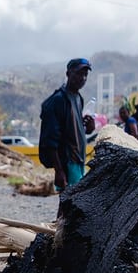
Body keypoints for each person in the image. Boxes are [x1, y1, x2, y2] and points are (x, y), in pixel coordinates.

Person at [39, 58, 92, 192]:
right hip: (68, 162)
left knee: (73, 204)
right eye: (79, 73)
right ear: (68, 74)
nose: (83, 78)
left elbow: (72, 130)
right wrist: (59, 170)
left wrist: (87, 128)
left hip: (79, 160)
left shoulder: (78, 98)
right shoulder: (58, 101)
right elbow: (50, 140)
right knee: (69, 203)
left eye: (85, 75)